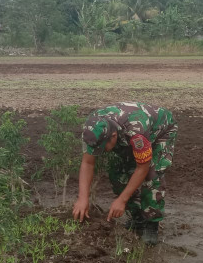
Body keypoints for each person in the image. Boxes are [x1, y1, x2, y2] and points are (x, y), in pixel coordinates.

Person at [72, 102, 177, 245]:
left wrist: (121, 200)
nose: (100, 152)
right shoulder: (93, 128)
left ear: (114, 136)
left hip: (161, 130)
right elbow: (87, 163)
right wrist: (83, 198)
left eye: (103, 148)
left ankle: (151, 224)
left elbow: (142, 168)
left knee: (152, 176)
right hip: (126, 135)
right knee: (118, 174)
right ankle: (137, 218)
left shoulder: (136, 132)